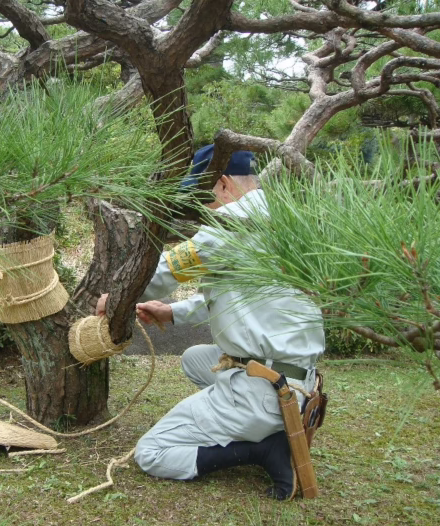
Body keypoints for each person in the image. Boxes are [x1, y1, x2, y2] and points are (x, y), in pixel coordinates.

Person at [96, 144, 325, 500]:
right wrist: (173, 313)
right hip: (300, 386)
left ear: (221, 184)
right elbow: (234, 294)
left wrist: (116, 298)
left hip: (261, 395)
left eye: (202, 197)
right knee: (194, 359)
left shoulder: (230, 225)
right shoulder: (288, 218)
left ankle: (262, 448)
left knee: (151, 453)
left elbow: (157, 274)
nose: (203, 209)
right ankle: (270, 426)